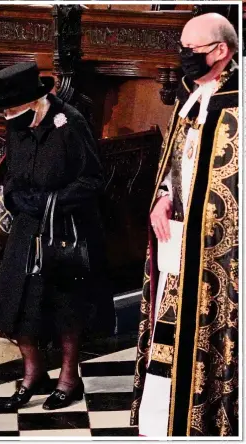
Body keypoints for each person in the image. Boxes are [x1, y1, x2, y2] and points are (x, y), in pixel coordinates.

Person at [0, 61, 115, 411]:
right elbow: (12, 176)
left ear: (33, 100)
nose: (8, 115)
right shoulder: (18, 124)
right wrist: (16, 198)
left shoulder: (70, 124)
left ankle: (69, 379)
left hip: (67, 229)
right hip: (27, 226)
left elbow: (92, 181)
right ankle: (33, 372)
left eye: (12, 108)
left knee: (65, 307)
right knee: (15, 305)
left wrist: (51, 201)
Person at [130, 13, 239, 437]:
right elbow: (176, 160)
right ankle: (164, 422)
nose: (183, 58)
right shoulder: (189, 95)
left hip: (219, 248)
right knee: (169, 329)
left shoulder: (238, 100)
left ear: (221, 51)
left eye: (191, 50)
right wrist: (162, 197)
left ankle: (210, 422)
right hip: (178, 236)